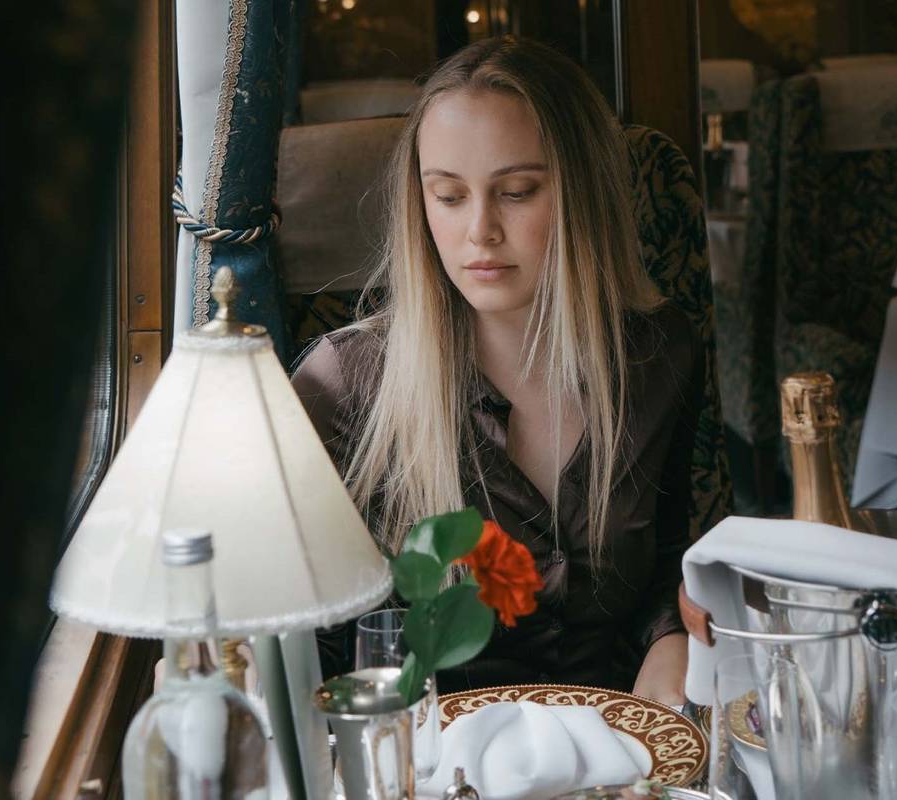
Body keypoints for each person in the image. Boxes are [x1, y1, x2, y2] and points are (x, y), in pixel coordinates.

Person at [292, 36, 700, 706]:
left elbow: (665, 559)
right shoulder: (340, 385)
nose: (480, 229)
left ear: (584, 194)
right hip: (433, 748)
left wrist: (669, 639)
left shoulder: (660, 354)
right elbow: (313, 648)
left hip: (622, 740)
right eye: (449, 196)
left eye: (516, 192)